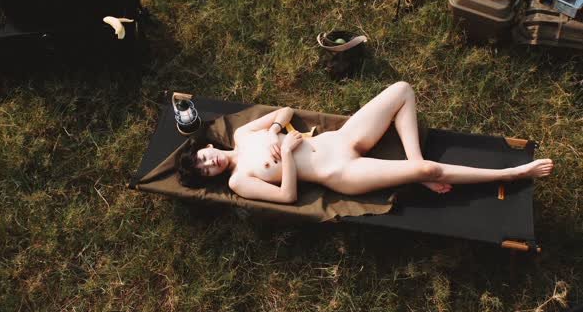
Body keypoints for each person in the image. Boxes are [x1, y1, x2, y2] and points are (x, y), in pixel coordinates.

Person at [175, 82, 553, 204]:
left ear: (205, 148)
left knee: (402, 90)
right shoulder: (239, 181)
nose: (210, 164)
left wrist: (275, 130)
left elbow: (285, 110)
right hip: (340, 170)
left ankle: (414, 164)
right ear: (211, 177)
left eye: (203, 159)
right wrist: (287, 154)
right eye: (205, 172)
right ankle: (512, 172)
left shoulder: (242, 134)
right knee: (429, 169)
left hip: (342, 139)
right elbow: (288, 196)